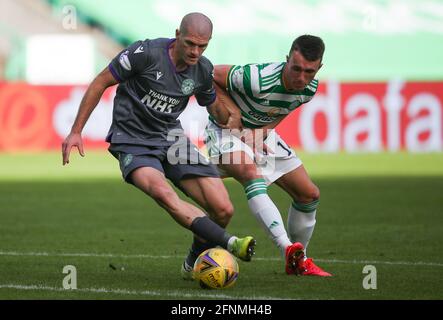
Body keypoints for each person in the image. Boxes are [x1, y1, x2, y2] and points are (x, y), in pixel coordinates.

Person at [61, 12, 256, 271]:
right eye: (190, 44)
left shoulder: (202, 70)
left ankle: (192, 262)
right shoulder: (145, 53)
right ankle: (232, 243)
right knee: (164, 193)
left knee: (223, 209)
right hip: (132, 141)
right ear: (177, 35)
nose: (195, 51)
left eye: (202, 46)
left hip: (172, 139)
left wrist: (242, 126)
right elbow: (100, 82)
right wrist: (76, 130)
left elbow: (215, 108)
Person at [183, 35, 331, 277]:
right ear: (287, 60)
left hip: (258, 135)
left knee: (309, 194)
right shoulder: (257, 78)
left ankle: (297, 261)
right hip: (224, 132)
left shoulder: (308, 89)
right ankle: (287, 248)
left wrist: (262, 132)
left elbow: (283, 108)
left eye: (309, 72)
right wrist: (232, 116)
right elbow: (207, 74)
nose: (301, 78)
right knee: (251, 174)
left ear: (319, 68)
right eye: (296, 69)